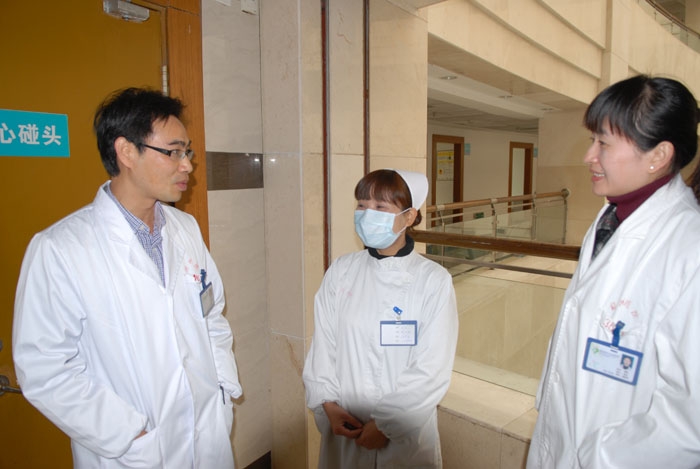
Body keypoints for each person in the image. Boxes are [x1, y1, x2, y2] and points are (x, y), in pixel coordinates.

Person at [13, 88, 242, 468]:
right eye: (173, 152)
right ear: (126, 152)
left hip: (207, 433)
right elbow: (44, 368)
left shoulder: (184, 228)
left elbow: (211, 314)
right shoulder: (60, 248)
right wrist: (127, 432)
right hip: (132, 449)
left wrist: (222, 386)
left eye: (187, 153)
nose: (187, 165)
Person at [527, 75, 700, 468]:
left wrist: (598, 457)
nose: (589, 156)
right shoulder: (611, 217)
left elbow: (690, 420)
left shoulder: (689, 251)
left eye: (603, 143)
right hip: (564, 437)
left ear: (658, 155)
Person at [302, 169, 459, 468]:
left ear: (409, 217)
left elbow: (431, 369)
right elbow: (324, 346)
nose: (367, 214)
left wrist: (386, 425)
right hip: (345, 428)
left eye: (380, 207)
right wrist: (328, 404)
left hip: (404, 438)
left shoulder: (433, 281)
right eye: (362, 205)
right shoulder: (342, 271)